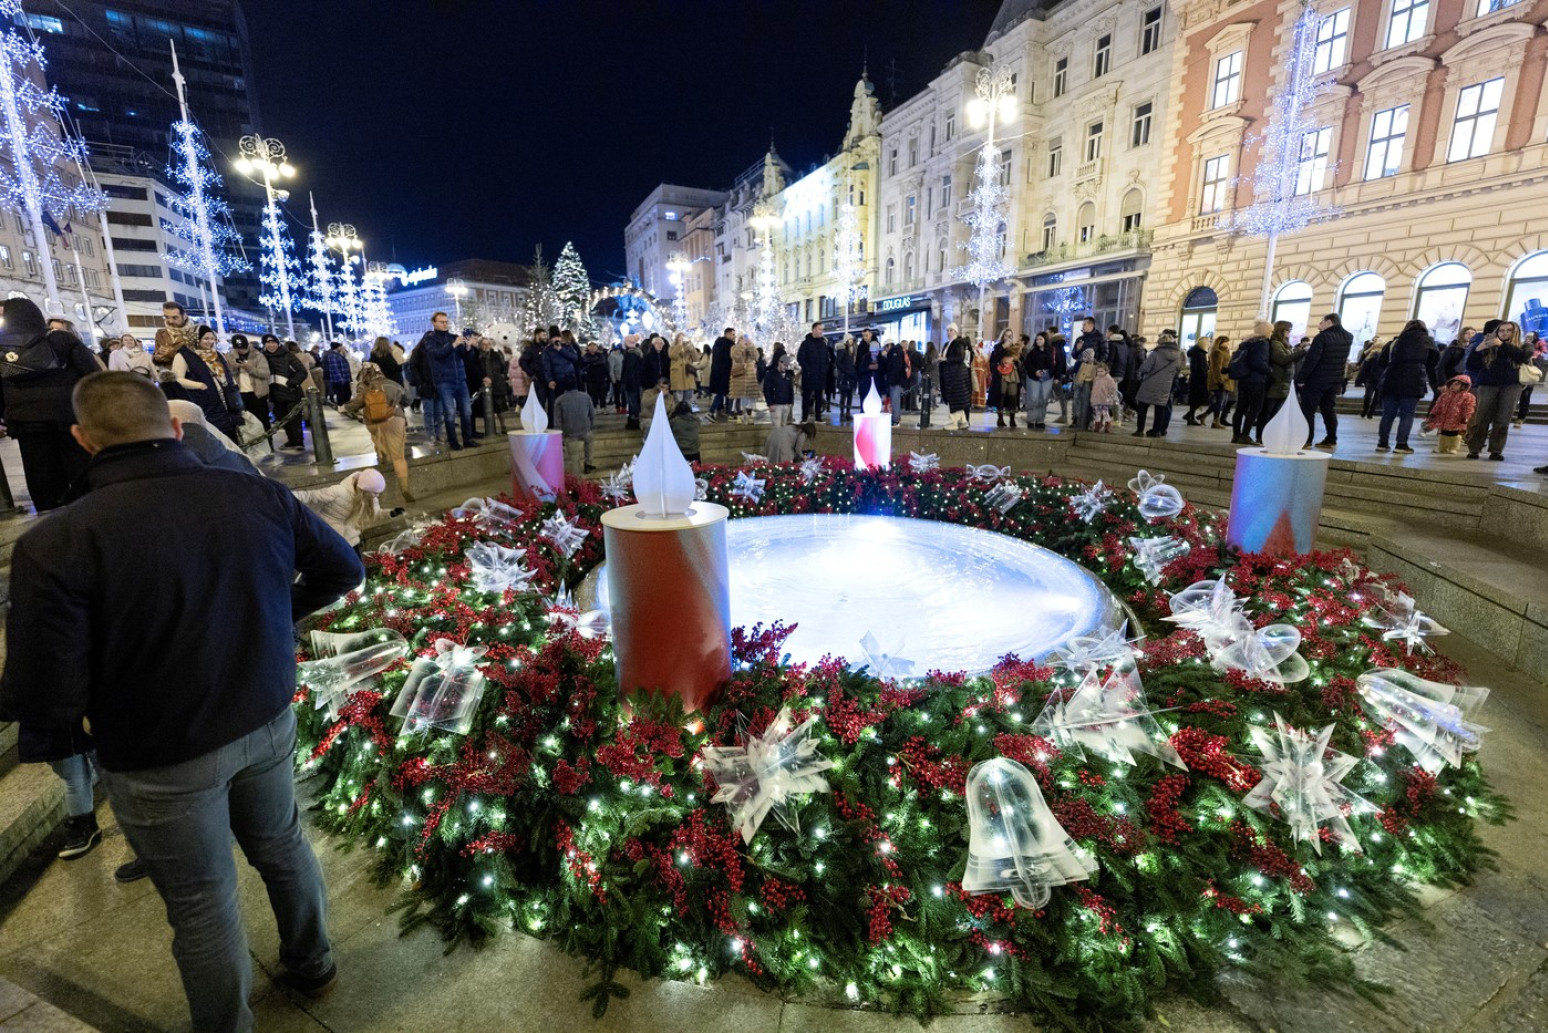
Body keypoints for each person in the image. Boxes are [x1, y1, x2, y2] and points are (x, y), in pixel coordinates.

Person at [0, 371, 363, 1033]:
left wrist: (81, 721)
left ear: (83, 440)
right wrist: (277, 620)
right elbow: (345, 568)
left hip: (158, 751)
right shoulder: (257, 496)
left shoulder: (54, 542)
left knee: (201, 901)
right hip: (264, 712)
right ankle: (314, 962)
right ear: (174, 427)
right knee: (283, 845)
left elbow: (43, 686)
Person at [0, 298, 100, 511]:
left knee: (39, 469)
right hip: (67, 412)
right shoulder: (59, 339)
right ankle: (90, 508)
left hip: (25, 418)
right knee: (79, 462)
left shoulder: (2, 347)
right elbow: (91, 373)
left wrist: (5, 414)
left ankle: (49, 513)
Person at [341, 363, 413, 500]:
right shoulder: (392, 384)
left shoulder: (363, 386)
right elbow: (408, 400)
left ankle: (382, 459)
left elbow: (356, 403)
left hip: (373, 423)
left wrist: (343, 408)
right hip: (394, 419)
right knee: (398, 457)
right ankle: (404, 489)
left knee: (378, 440)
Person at [1464, 319, 1529, 460]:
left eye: (1508, 330)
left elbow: (1522, 357)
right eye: (1502, 330)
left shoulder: (1523, 346)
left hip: (1511, 386)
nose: (1505, 333)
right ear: (1497, 332)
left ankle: (1496, 450)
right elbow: (1471, 366)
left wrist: (1502, 345)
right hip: (1488, 385)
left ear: (1515, 332)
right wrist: (1478, 349)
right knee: (1481, 418)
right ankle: (1474, 448)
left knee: (1503, 419)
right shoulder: (1488, 346)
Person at [1375, 319, 1437, 455]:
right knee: (1407, 414)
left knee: (1388, 414)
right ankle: (1401, 444)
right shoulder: (1428, 341)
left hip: (1391, 379)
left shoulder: (1395, 342)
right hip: (1413, 380)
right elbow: (1433, 362)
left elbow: (1382, 361)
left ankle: (1382, 443)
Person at [1295, 313, 1353, 449]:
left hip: (1317, 379)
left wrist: (1302, 378)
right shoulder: (1348, 337)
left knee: (1308, 410)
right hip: (1335, 380)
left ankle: (1307, 440)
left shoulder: (1322, 337)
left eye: (1321, 322)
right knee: (1329, 409)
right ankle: (1331, 438)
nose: (1319, 325)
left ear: (1329, 322)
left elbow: (1312, 360)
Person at [420, 312, 477, 449]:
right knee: (450, 413)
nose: (445, 324)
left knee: (467, 411)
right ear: (434, 323)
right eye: (442, 322)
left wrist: (468, 347)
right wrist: (453, 345)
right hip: (444, 381)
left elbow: (467, 358)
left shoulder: (454, 337)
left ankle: (468, 440)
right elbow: (437, 354)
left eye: (446, 321)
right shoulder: (430, 339)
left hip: (460, 379)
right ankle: (453, 442)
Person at [296, 469, 388, 552]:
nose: (378, 495)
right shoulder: (338, 491)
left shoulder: (370, 499)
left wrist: (391, 513)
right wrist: (285, 495)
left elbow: (376, 513)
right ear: (365, 490)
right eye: (375, 492)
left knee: (357, 569)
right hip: (332, 540)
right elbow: (311, 496)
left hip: (351, 542)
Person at [261, 333, 309, 450]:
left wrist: (292, 383)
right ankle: (291, 440)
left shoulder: (288, 355)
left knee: (295, 419)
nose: (271, 345)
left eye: (273, 342)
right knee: (282, 419)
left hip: (291, 392)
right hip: (275, 394)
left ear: (277, 343)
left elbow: (302, 371)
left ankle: (299, 441)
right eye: (268, 342)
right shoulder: (263, 357)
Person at [1229, 323, 1273, 445]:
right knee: (1255, 408)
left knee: (1240, 408)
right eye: (1271, 330)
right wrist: (1270, 370)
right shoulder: (1262, 343)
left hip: (1243, 379)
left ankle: (1236, 435)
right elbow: (1258, 363)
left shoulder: (1246, 343)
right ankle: (1245, 435)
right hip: (1256, 380)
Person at [1134, 330, 1182, 437]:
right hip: (1166, 385)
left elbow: (1145, 368)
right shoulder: (1178, 356)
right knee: (1160, 408)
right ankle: (1157, 431)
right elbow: (1178, 370)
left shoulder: (1155, 354)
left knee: (1143, 407)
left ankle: (1139, 430)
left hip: (1149, 384)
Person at [1256, 321, 1296, 439]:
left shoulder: (1285, 344)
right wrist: (1302, 352)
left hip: (1284, 382)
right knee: (1267, 411)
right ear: (1281, 330)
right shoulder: (1275, 344)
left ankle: (1268, 436)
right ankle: (1261, 436)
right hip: (1276, 382)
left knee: (1275, 412)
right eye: (1288, 330)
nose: (1290, 332)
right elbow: (1282, 359)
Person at [228, 334, 271, 430]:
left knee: (262, 421)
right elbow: (229, 375)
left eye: (243, 348)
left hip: (257, 394)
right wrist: (235, 368)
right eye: (238, 348)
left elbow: (265, 373)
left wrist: (248, 367)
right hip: (240, 394)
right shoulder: (231, 356)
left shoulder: (258, 356)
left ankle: (268, 442)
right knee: (246, 423)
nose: (240, 350)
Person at [1425, 375, 1476, 455]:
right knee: (1443, 434)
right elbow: (1438, 405)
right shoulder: (1445, 395)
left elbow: (1469, 407)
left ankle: (1453, 448)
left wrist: (1466, 416)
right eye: (1452, 384)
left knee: (1454, 435)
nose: (1453, 386)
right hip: (1444, 419)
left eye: (1456, 384)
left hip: (1457, 420)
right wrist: (1433, 413)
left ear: (1463, 386)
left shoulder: (1467, 397)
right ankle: (1442, 448)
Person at [553, 381, 595, 474]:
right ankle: (588, 462)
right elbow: (592, 414)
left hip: (569, 433)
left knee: (574, 457)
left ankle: (577, 479)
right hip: (585, 430)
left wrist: (560, 437)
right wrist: (591, 426)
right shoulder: (586, 397)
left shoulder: (559, 400)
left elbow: (557, 421)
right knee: (590, 442)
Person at [796, 322, 830, 422]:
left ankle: (818, 417)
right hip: (809, 375)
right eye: (819, 329)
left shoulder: (823, 344)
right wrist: (807, 369)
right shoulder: (806, 344)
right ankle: (804, 418)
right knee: (806, 397)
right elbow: (800, 358)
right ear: (814, 330)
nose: (821, 332)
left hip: (820, 375)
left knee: (819, 397)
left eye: (822, 330)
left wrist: (825, 369)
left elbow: (826, 359)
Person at [940, 326, 973, 430]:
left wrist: (945, 359)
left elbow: (959, 357)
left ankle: (953, 422)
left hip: (956, 375)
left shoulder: (958, 343)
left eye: (951, 330)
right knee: (956, 398)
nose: (948, 332)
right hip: (951, 375)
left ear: (956, 332)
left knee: (956, 398)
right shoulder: (947, 344)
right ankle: (963, 421)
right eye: (947, 330)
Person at [1021, 332, 1056, 430]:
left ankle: (1040, 420)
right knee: (1033, 398)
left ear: (1045, 340)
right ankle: (1031, 420)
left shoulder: (1051, 351)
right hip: (1033, 377)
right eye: (1037, 339)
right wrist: (1035, 371)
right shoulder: (1032, 352)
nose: (1038, 341)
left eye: (1040, 339)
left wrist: (1054, 375)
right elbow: (1027, 365)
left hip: (1047, 378)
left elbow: (1054, 365)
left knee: (1043, 399)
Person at [1514, 331, 1546, 427]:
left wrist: (1530, 359)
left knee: (1525, 398)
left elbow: (1537, 369)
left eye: (1530, 338)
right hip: (1516, 379)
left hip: (1527, 380)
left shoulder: (1538, 355)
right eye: (1527, 337)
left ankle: (1520, 418)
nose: (1528, 339)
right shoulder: (1520, 348)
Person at [1205, 335, 1234, 428]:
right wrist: (1219, 381)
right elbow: (1216, 368)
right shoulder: (1217, 352)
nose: (1228, 344)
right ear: (1221, 342)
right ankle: (1215, 421)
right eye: (1226, 342)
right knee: (1219, 401)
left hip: (1226, 379)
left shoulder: (1225, 352)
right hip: (1219, 379)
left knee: (1223, 402)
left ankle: (1204, 416)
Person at [729, 333, 760, 422]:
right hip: (739, 376)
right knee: (738, 396)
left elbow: (756, 357)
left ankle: (749, 415)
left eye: (745, 338)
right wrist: (741, 346)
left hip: (750, 376)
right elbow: (736, 357)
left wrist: (750, 346)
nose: (744, 340)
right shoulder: (734, 348)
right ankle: (739, 415)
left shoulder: (750, 348)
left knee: (750, 397)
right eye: (742, 339)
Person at [995, 336, 1022, 429]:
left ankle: (1012, 419)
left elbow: (1020, 358)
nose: (1009, 338)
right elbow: (995, 358)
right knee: (1001, 397)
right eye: (1007, 335)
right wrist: (1003, 348)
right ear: (1003, 337)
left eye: (1011, 335)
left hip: (1013, 373)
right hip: (1002, 374)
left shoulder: (1015, 347)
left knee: (1013, 397)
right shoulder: (998, 347)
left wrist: (1013, 358)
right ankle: (1000, 419)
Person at [1183, 335, 1211, 425]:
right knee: (1199, 399)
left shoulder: (1197, 352)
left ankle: (1190, 417)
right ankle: (1189, 416)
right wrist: (1205, 375)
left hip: (1195, 379)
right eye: (1209, 342)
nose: (1210, 343)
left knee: (1195, 400)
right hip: (1199, 380)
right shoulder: (1200, 353)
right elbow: (1201, 368)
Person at [763, 351, 795, 426]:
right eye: (784, 365)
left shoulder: (788, 375)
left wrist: (790, 403)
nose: (786, 367)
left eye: (787, 365)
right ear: (779, 363)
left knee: (784, 427)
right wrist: (770, 404)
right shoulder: (770, 374)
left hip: (786, 405)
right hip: (776, 405)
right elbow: (766, 390)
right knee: (776, 428)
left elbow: (790, 390)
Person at [1355, 339, 1385, 419]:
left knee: (1368, 396)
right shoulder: (1384, 356)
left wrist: (1364, 377)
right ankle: (1370, 413)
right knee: (1376, 397)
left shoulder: (1371, 356)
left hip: (1371, 379)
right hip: (1379, 379)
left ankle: (1365, 411)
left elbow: (1365, 368)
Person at [708, 327, 735, 417]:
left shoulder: (717, 343)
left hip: (716, 372)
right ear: (727, 334)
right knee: (723, 392)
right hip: (725, 373)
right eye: (733, 334)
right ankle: (712, 411)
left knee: (721, 392)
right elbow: (730, 359)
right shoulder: (729, 345)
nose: (734, 336)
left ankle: (720, 410)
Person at [619, 334, 644, 430]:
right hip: (635, 382)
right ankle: (634, 420)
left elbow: (628, 370)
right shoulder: (637, 353)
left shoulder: (631, 355)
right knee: (634, 402)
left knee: (632, 402)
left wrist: (624, 382)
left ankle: (633, 422)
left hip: (631, 383)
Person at [1090, 362, 1121, 433]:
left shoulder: (1108, 380)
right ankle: (1098, 425)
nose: (1099, 373)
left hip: (1105, 400)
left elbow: (1112, 389)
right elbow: (1094, 390)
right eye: (1098, 371)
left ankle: (1107, 425)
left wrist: (1110, 397)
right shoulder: (1096, 379)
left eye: (1101, 371)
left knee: (1105, 413)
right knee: (1098, 413)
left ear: (1106, 371)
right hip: (1097, 399)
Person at [1071, 346, 1097, 430]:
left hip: (1086, 385)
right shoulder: (1079, 363)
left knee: (1084, 401)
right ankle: (1077, 419)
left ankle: (1083, 420)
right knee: (1077, 401)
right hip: (1079, 384)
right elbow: (1074, 372)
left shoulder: (1094, 364)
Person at [668, 332, 698, 406]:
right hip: (677, 376)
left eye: (683, 337)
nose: (682, 339)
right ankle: (677, 415)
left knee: (689, 398)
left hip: (688, 375)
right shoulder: (672, 347)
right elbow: (672, 356)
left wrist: (692, 348)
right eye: (680, 337)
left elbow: (696, 358)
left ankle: (689, 414)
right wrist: (679, 345)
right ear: (677, 338)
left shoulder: (689, 347)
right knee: (678, 400)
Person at [321, 341, 353, 407]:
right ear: (337, 347)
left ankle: (345, 407)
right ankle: (342, 407)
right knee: (342, 395)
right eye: (340, 347)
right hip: (340, 379)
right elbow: (334, 368)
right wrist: (340, 379)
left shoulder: (337, 355)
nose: (341, 348)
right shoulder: (332, 356)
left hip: (344, 378)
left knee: (347, 394)